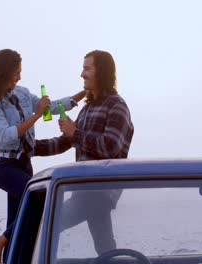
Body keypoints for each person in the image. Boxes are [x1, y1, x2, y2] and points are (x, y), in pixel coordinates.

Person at [0, 49, 85, 264]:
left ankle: (12, 259)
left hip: (24, 163)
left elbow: (50, 108)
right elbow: (6, 136)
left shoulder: (22, 93)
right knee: (38, 202)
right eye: (16, 72)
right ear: (4, 73)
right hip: (4, 166)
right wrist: (36, 115)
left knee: (18, 219)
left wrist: (80, 95)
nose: (19, 77)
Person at [34, 50, 134, 255]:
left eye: (87, 68)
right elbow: (63, 143)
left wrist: (75, 133)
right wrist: (29, 148)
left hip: (99, 190)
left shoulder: (117, 105)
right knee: (105, 245)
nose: (82, 74)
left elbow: (111, 146)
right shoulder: (87, 109)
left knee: (46, 226)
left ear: (102, 72)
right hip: (87, 190)